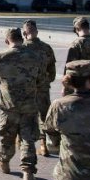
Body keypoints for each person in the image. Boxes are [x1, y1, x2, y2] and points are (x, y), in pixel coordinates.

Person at [0, 27, 45, 180]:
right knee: (28, 139)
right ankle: (28, 172)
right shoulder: (35, 56)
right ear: (22, 38)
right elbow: (42, 79)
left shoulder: (1, 56)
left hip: (8, 105)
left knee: (6, 135)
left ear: (7, 41)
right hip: (29, 105)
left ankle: (4, 162)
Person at [21, 20, 57, 156]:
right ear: (37, 32)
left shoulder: (22, 48)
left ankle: (24, 143)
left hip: (25, 90)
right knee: (44, 116)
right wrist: (46, 81)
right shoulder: (46, 48)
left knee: (25, 116)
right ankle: (44, 144)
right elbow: (52, 70)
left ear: (24, 33)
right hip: (42, 88)